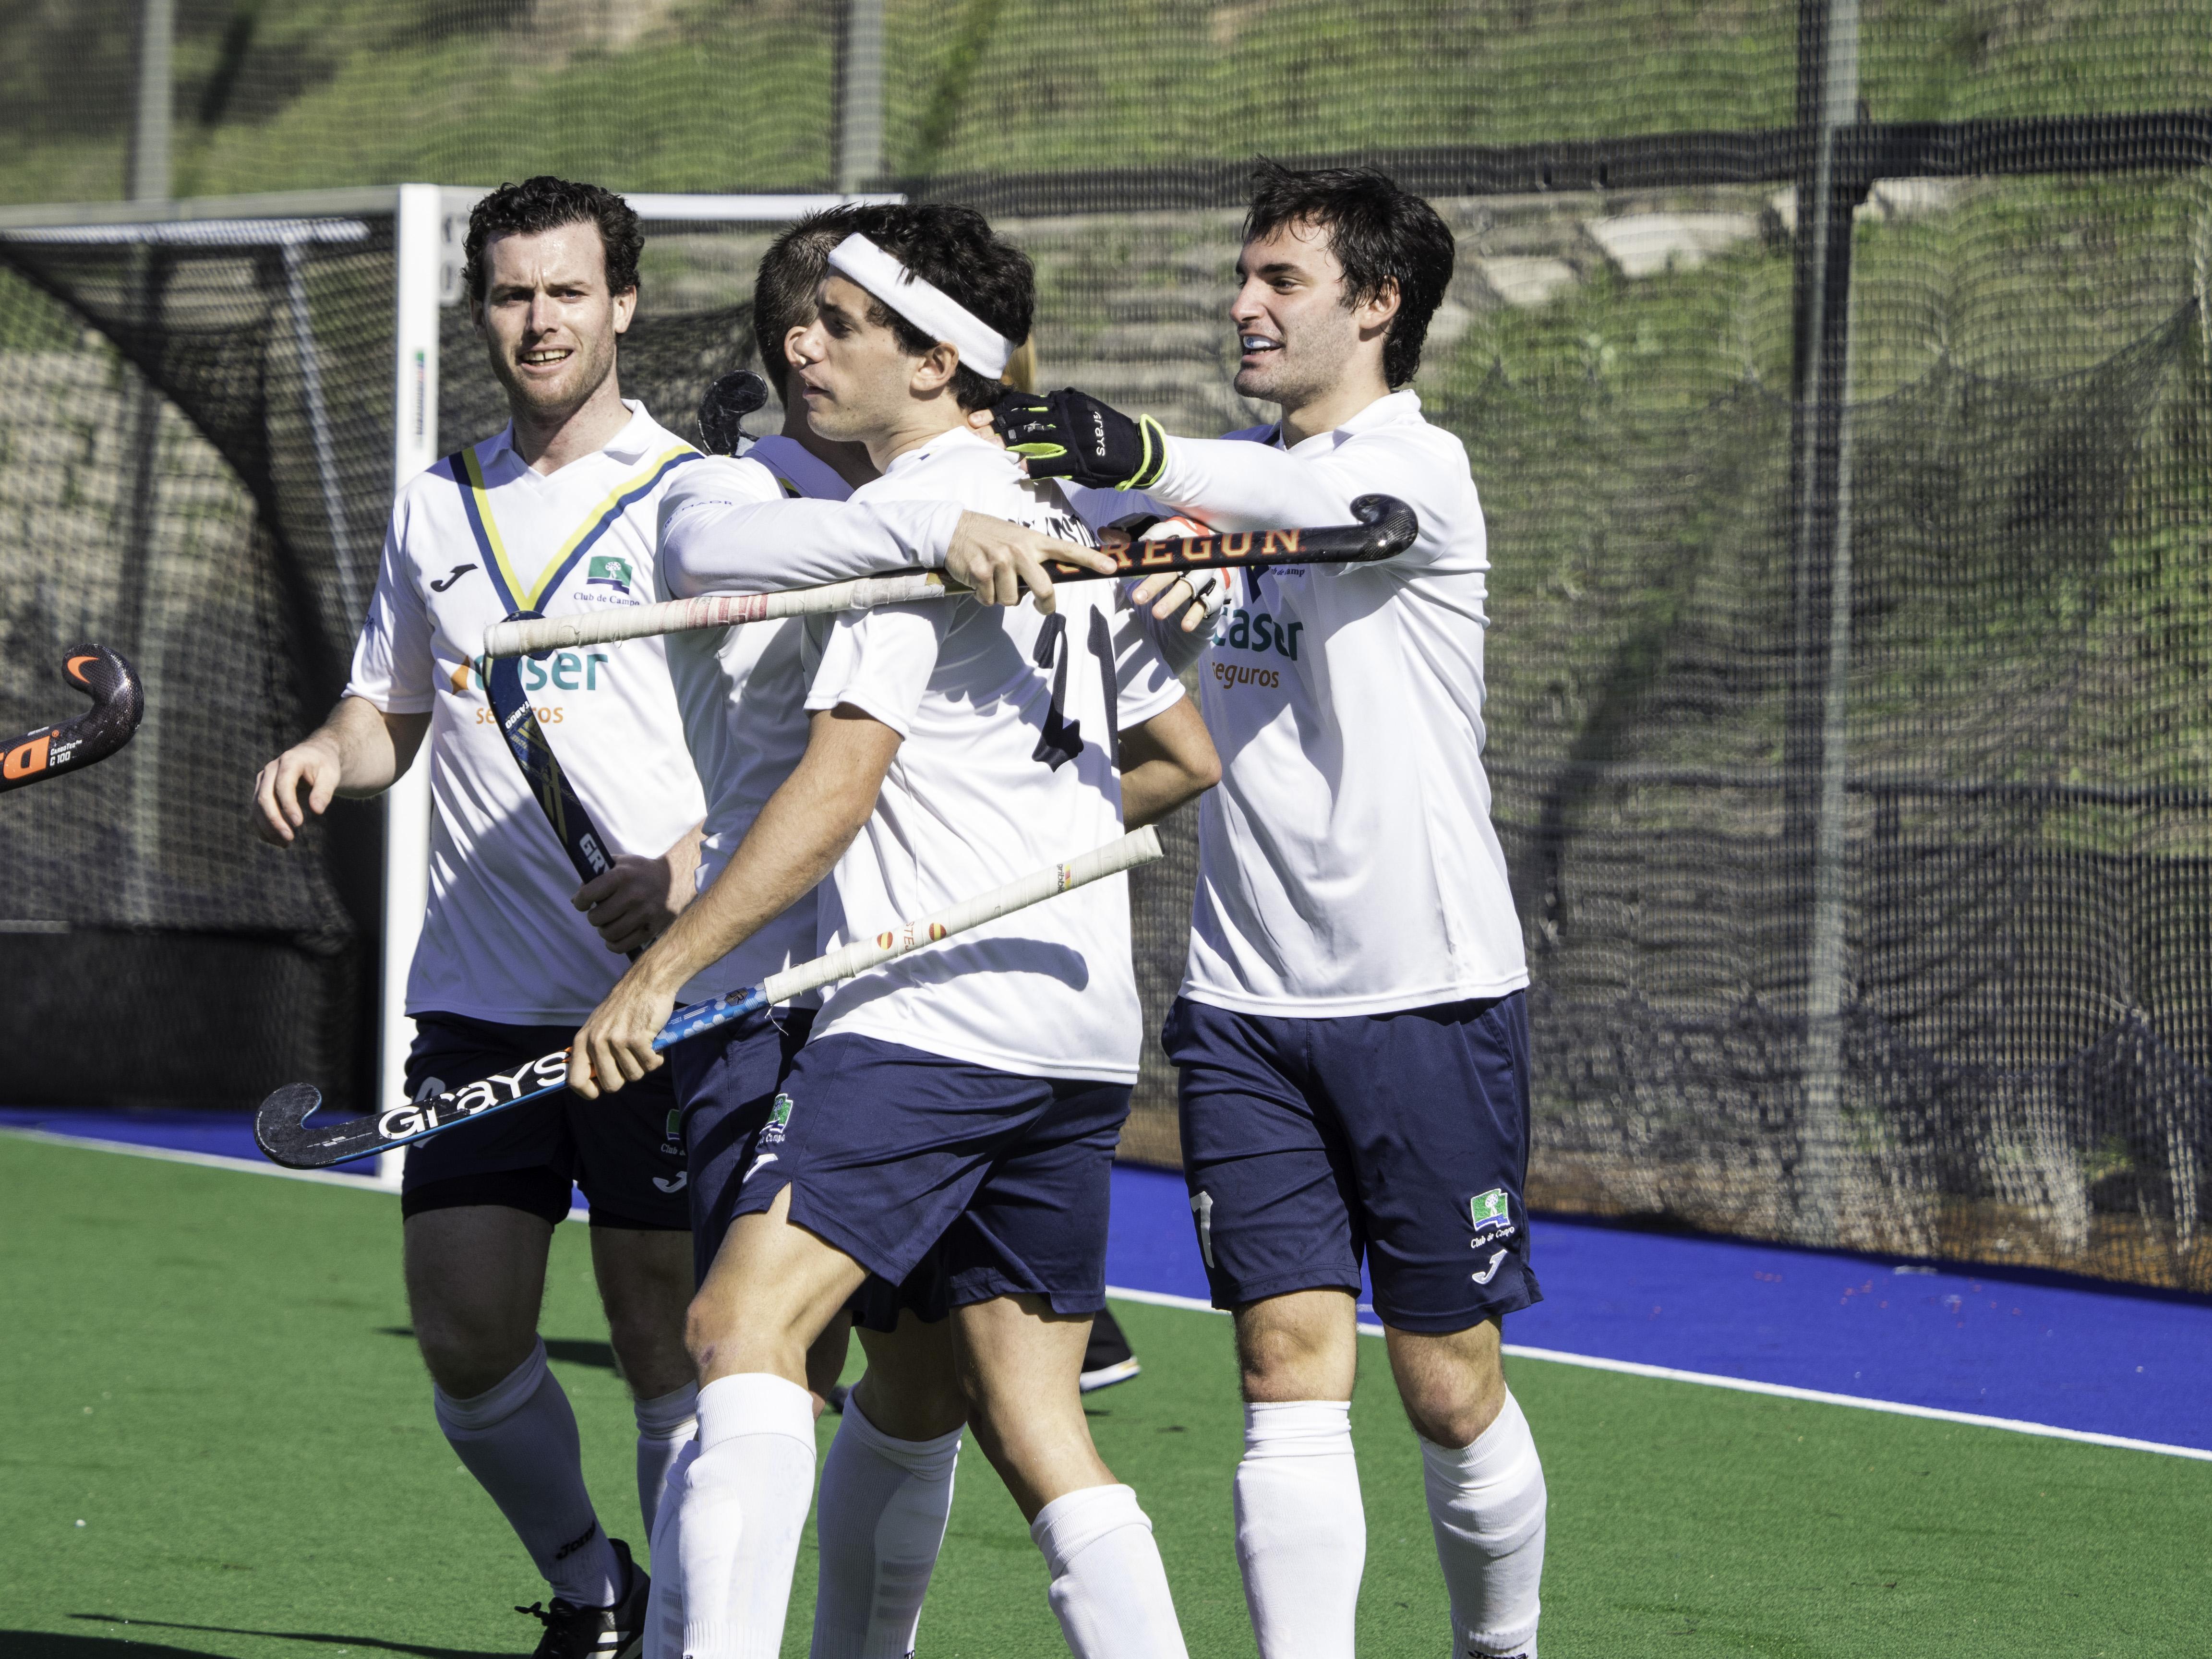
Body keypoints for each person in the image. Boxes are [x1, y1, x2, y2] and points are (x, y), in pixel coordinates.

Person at [568, 202, 1218, 1659]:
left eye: (845, 327)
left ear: (940, 365)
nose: (806, 346)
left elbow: (837, 790)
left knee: (740, 1336)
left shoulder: (923, 537)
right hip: (1080, 1026)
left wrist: (659, 971)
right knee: (1026, 1419)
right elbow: (1182, 756)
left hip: (929, 1018)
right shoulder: (1008, 521)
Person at [994, 161, 1549, 1659]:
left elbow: (1304, 506)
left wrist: (1163, 478)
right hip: (1243, 1007)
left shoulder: (1417, 468)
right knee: (1283, 1359)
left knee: (1448, 1386)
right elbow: (1053, 495)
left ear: (1377, 305)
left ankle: (1503, 1648)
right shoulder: (1216, 483)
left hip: (1425, 992)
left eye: (1281, 282)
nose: (1243, 302)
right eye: (1241, 277)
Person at [252, 176, 711, 1659]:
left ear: (623, 305)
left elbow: (783, 745)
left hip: (660, 1000)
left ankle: (700, 1628)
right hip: (479, 995)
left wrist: (687, 870)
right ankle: (594, 1586)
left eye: (568, 292)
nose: (539, 321)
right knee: (464, 1335)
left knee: (662, 1340)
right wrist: (335, 750)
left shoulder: (698, 499)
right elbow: (388, 707)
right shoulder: (437, 499)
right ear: (483, 311)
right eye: (514, 294)